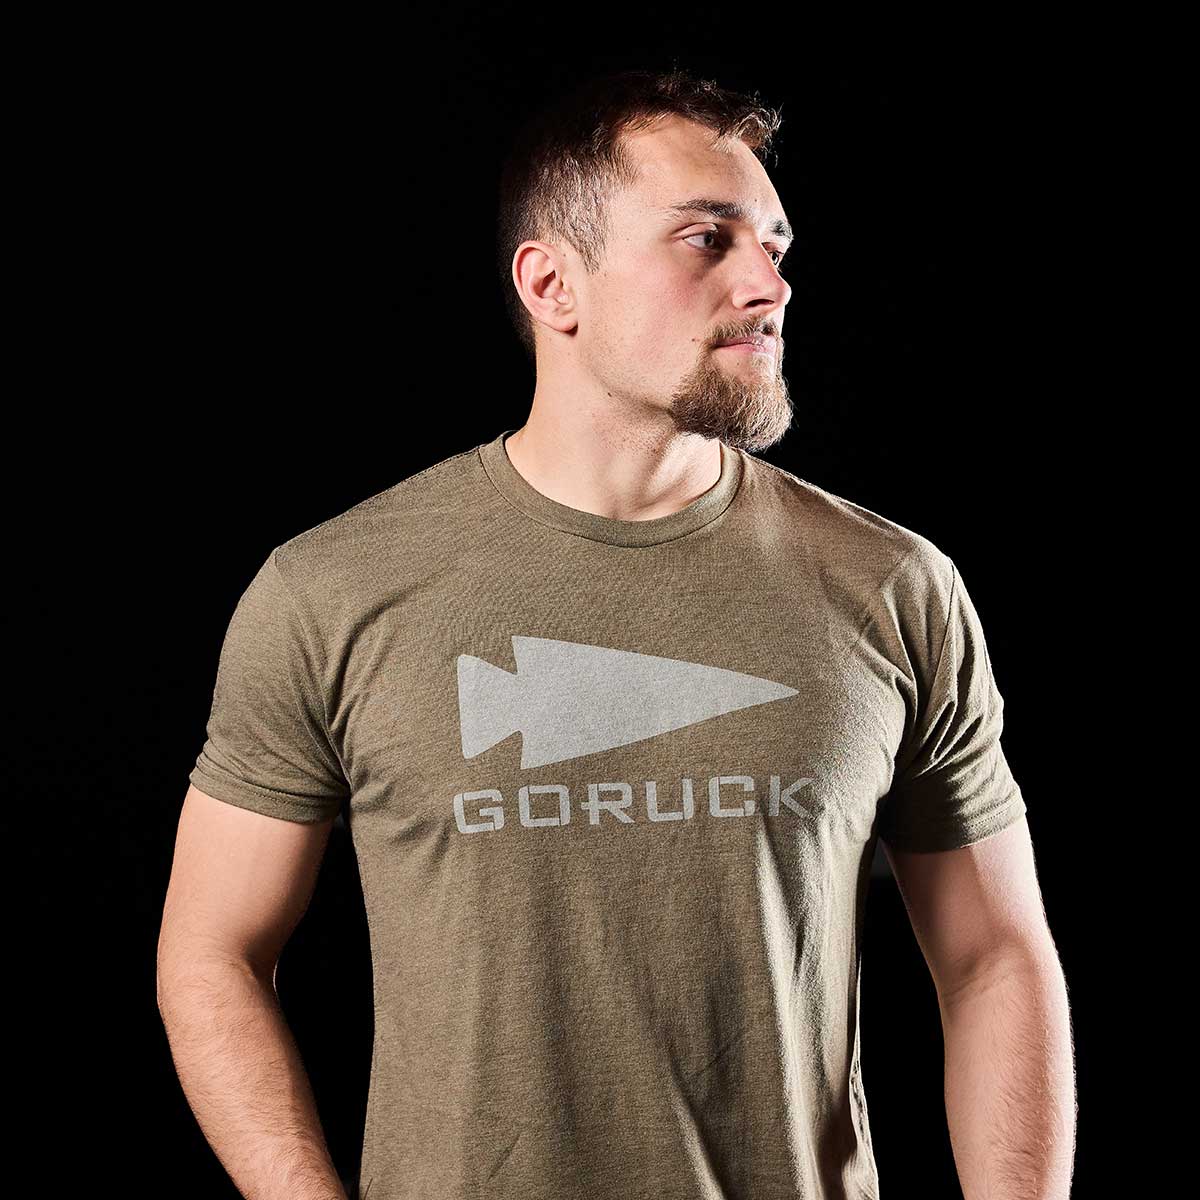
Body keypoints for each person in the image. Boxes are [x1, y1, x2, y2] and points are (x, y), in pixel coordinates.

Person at [157, 67, 1076, 1200]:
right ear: (553, 283)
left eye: (775, 245)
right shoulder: (332, 591)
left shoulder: (892, 586)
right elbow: (210, 953)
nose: (769, 283)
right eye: (707, 239)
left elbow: (994, 958)